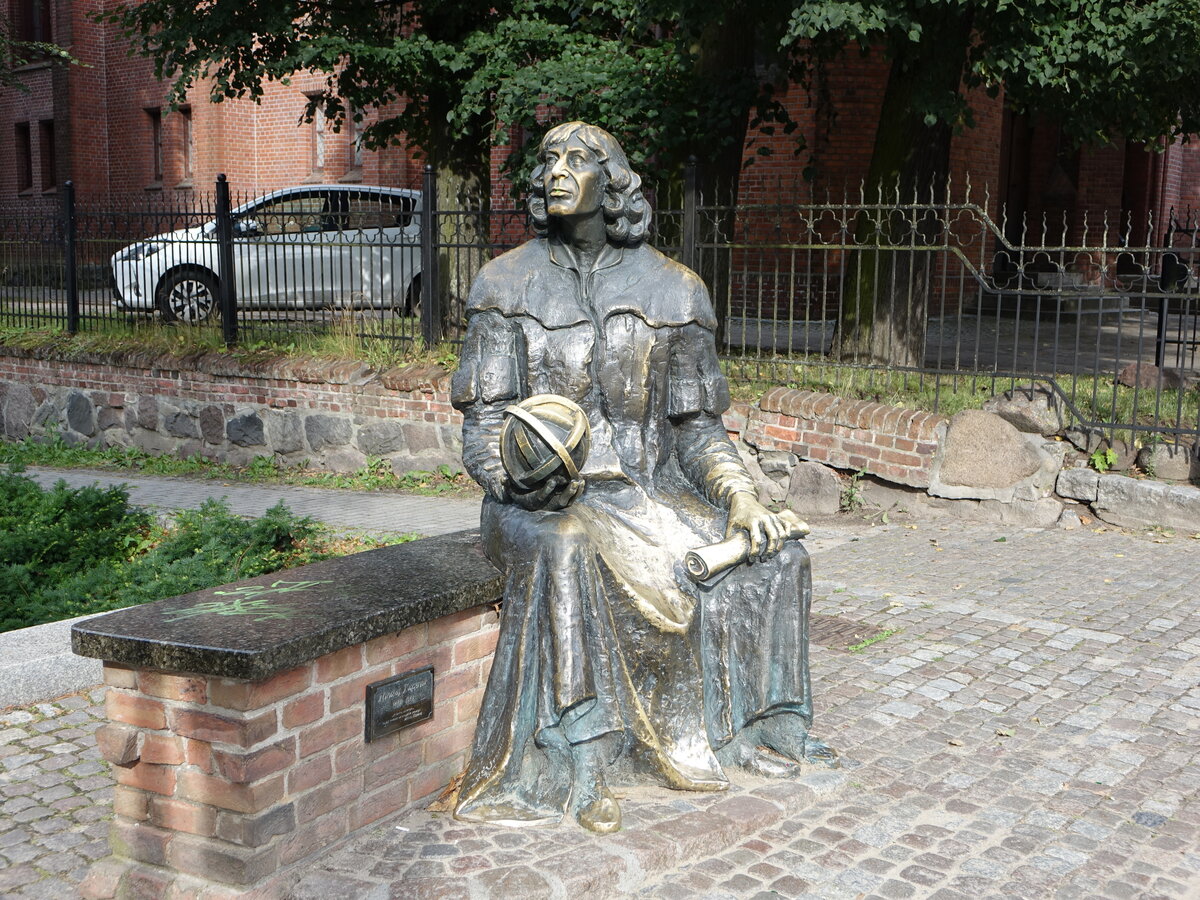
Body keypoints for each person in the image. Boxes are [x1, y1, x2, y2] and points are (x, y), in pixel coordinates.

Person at [451, 122, 834, 834]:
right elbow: (484, 425)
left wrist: (741, 495)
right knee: (568, 545)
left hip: (649, 497)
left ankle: (758, 730)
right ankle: (579, 756)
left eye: (577, 160)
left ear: (615, 182)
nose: (556, 172)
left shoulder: (674, 289)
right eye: (548, 161)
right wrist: (513, 480)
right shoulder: (503, 283)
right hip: (536, 504)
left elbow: (697, 431)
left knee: (780, 555)